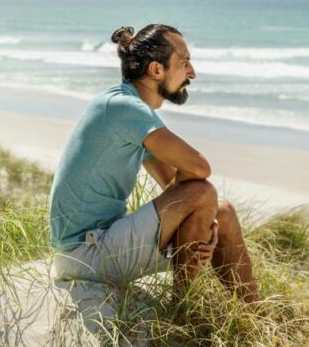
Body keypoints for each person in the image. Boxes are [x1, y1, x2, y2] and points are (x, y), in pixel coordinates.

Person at [49, 23, 259, 303]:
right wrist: (199, 213)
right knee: (203, 191)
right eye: (184, 63)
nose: (192, 73)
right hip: (85, 254)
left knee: (224, 211)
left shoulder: (125, 107)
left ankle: (255, 313)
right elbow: (200, 170)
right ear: (156, 70)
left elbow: (172, 185)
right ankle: (183, 310)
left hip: (101, 244)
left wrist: (205, 224)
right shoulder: (125, 108)